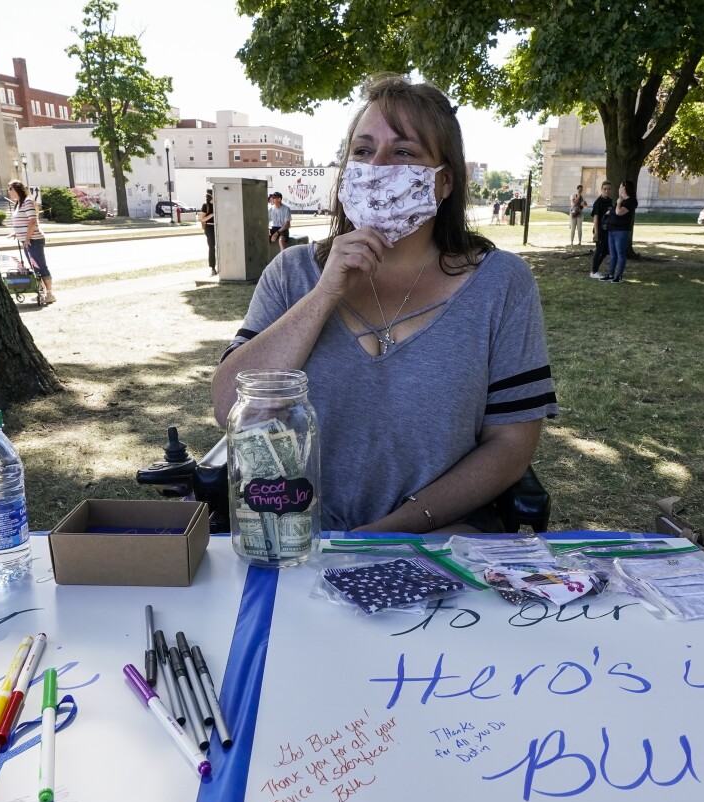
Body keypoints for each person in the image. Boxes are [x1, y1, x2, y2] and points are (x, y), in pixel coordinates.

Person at [212, 73, 559, 534]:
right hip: (297, 539)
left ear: (443, 182)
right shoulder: (292, 274)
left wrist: (396, 530)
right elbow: (227, 407)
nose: (375, 166)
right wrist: (324, 295)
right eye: (362, 150)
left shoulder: (502, 284)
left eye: (402, 152)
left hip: (440, 539)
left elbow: (511, 444)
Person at [8, 180, 54, 303]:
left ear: (17, 190)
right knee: (34, 268)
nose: (9, 192)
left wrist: (27, 237)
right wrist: (17, 233)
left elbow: (32, 221)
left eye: (10, 189)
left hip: (33, 240)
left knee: (40, 267)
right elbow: (23, 221)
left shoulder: (27, 201)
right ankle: (42, 293)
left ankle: (50, 294)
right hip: (27, 240)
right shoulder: (18, 203)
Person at [604, 180, 637, 283]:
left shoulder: (630, 201)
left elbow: (618, 212)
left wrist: (618, 203)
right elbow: (609, 212)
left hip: (621, 231)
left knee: (620, 254)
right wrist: (617, 204)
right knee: (612, 254)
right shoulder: (621, 200)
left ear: (624, 188)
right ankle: (610, 274)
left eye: (620, 187)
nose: (618, 189)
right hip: (612, 230)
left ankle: (619, 276)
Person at [589, 181, 614, 279]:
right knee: (599, 251)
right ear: (601, 189)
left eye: (608, 189)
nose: (606, 191)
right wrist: (596, 233)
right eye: (605, 189)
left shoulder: (610, 201)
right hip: (599, 230)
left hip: (607, 230)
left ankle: (596, 270)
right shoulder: (598, 202)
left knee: (604, 252)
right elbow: (595, 219)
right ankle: (594, 272)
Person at [199, 189, 217, 276]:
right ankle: (213, 268)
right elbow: (202, 219)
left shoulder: (218, 203)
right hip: (210, 227)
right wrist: (212, 215)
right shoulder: (205, 205)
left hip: (220, 227)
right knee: (212, 247)